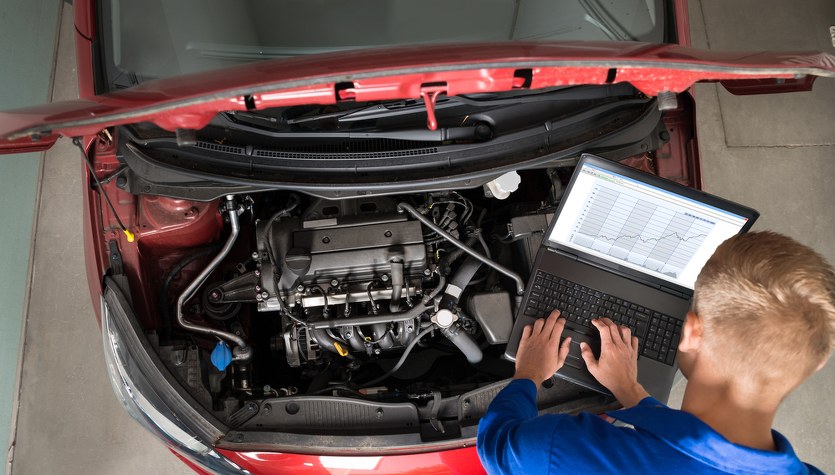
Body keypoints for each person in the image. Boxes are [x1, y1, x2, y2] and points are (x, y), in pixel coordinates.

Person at [477, 231, 834, 474]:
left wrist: (528, 375)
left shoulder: (569, 450)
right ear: (819, 361)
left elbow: (497, 446)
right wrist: (633, 394)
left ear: (692, 332)